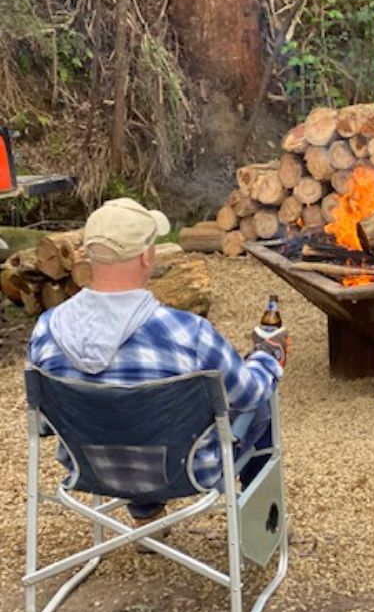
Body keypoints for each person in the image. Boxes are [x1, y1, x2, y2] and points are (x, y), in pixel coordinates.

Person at [26, 197, 288, 531]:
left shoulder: (47, 328)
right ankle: (261, 526)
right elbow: (249, 394)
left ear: (88, 257)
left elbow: (44, 425)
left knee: (122, 415)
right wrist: (268, 358)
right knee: (261, 404)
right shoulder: (188, 333)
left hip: (88, 469)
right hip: (184, 472)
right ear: (147, 256)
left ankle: (146, 513)